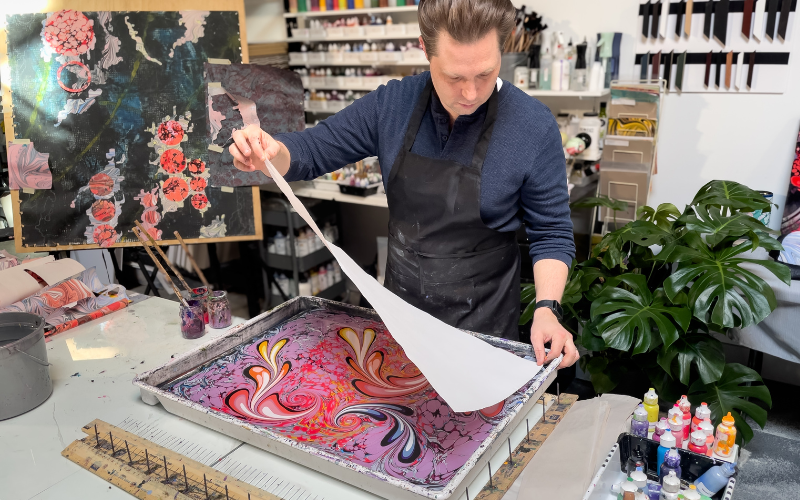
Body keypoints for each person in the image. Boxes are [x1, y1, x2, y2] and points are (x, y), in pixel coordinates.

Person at [229, 0, 579, 368]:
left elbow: (551, 230)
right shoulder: (393, 105)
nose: (471, 93)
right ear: (424, 49)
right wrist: (270, 152)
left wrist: (546, 309)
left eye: (485, 74)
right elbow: (314, 149)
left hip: (485, 334)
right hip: (402, 324)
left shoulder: (533, 126)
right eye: (454, 77)